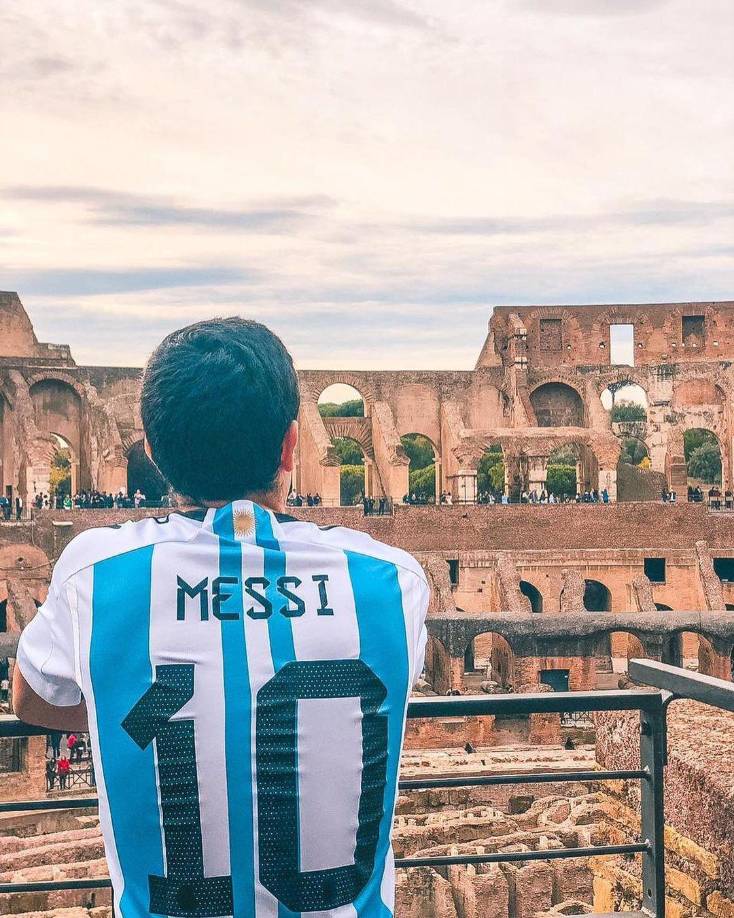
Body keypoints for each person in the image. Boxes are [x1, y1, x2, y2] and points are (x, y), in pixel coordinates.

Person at [13, 317, 428, 917]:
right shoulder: (393, 580)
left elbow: (29, 699)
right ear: (291, 446)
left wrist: (135, 706)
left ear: (152, 452)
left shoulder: (93, 572)